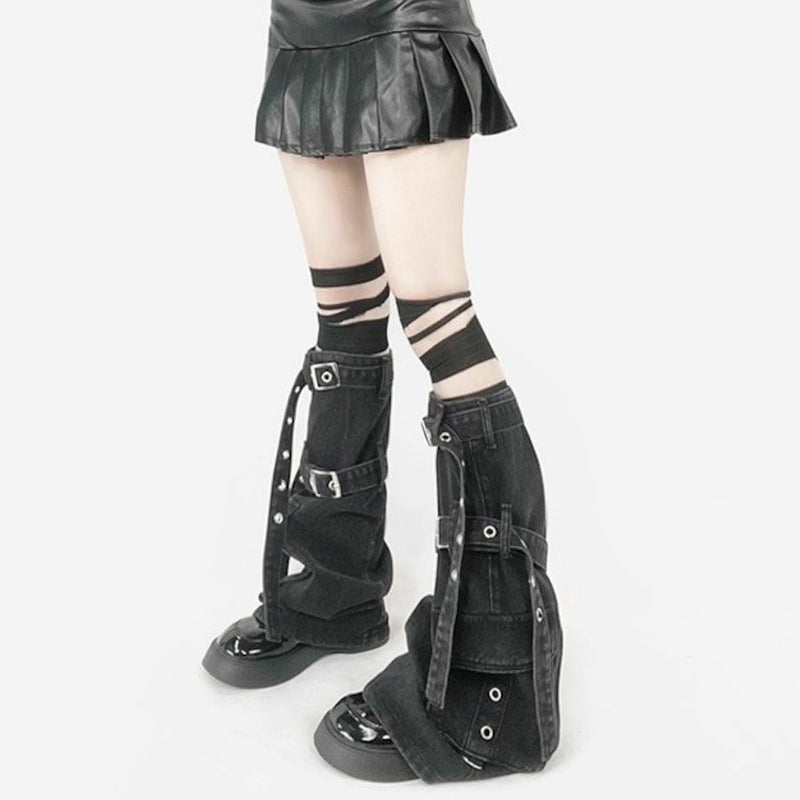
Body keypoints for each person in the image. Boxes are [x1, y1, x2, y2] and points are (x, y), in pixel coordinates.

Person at [203, 0, 564, 783]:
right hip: (302, 25)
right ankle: (337, 591)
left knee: (440, 321)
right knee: (345, 312)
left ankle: (494, 687)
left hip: (402, 21)